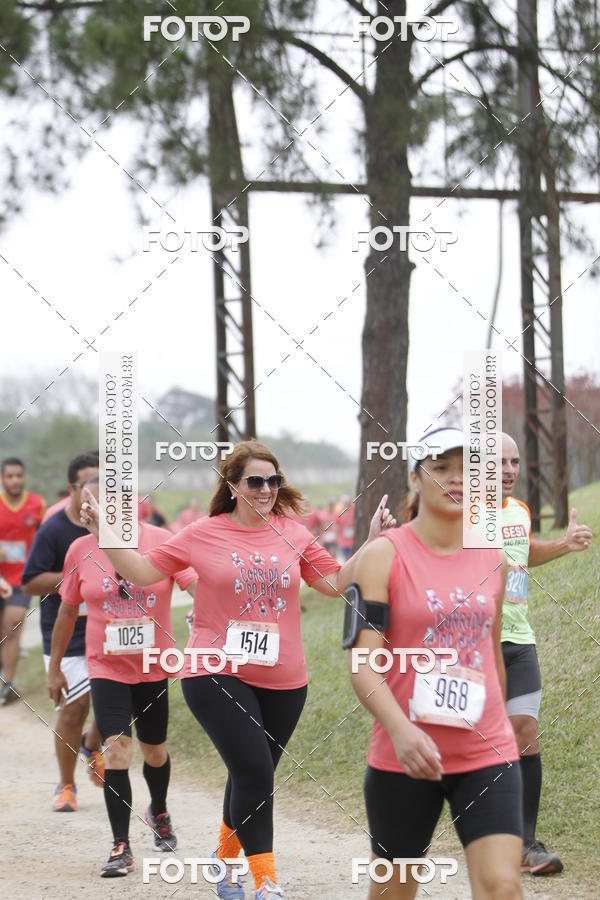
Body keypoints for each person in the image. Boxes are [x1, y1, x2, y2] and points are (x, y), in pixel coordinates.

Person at [79, 439, 395, 900]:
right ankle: (266, 880)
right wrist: (103, 531)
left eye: (273, 480)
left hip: (285, 677)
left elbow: (333, 582)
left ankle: (224, 864)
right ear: (232, 484)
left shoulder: (294, 531)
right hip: (214, 669)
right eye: (255, 480)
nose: (266, 488)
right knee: (255, 772)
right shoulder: (203, 532)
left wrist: (369, 543)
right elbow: (144, 571)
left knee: (252, 774)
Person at [349, 427, 523, 900]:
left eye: (467, 469)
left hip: (486, 751)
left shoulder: (492, 556)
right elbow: (362, 665)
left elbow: (490, 650)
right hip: (404, 757)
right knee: (393, 892)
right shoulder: (382, 556)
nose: (456, 479)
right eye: (441, 468)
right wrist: (401, 732)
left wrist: (502, 727)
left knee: (503, 887)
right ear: (416, 478)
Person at [47, 475, 197, 878]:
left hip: (153, 666)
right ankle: (121, 846)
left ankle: (159, 810)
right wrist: (54, 665)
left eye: (123, 500)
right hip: (105, 666)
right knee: (116, 752)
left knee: (155, 752)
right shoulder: (81, 549)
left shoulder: (162, 540)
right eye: (103, 503)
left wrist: (211, 609)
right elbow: (66, 611)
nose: (116, 509)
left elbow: (195, 582)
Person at [500, 432, 591, 876]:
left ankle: (525, 844)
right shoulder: (461, 515)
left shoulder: (519, 511)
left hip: (519, 640)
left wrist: (565, 546)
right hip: (473, 645)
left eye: (515, 461)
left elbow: (523, 554)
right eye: (499, 463)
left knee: (525, 733)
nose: (510, 470)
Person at [21, 451, 104, 811]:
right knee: (74, 708)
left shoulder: (117, 527)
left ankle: (91, 744)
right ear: (72, 488)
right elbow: (30, 582)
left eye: (105, 483)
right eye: (89, 483)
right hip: (66, 632)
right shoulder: (54, 531)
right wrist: (76, 579)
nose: (97, 491)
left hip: (110, 629)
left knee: (115, 701)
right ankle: (66, 785)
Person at [0, 457, 45, 703]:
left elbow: (44, 537)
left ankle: (8, 684)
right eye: (10, 476)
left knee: (12, 625)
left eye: (19, 475)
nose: (15, 480)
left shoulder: (37, 504)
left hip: (21, 577)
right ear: (2, 478)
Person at [336, 495, 355, 561]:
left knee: (352, 559)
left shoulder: (355, 511)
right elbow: (336, 525)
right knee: (346, 559)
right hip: (343, 541)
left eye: (348, 502)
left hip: (353, 541)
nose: (346, 504)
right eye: (345, 503)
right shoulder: (340, 513)